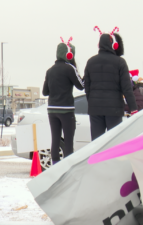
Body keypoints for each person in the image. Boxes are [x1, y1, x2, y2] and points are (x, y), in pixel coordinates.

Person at [84, 27, 137, 141]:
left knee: (97, 143)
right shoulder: (120, 62)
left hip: (95, 109)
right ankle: (112, 160)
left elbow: (87, 87)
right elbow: (127, 88)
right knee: (113, 142)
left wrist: (92, 101)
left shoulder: (90, 62)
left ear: (99, 45)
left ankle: (98, 159)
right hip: (114, 109)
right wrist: (133, 108)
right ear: (114, 45)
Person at [42, 37, 84, 165]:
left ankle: (55, 165)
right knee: (68, 140)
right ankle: (67, 167)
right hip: (66, 110)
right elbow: (81, 85)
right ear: (69, 54)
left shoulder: (49, 71)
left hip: (52, 110)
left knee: (55, 139)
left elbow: (45, 92)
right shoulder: (70, 69)